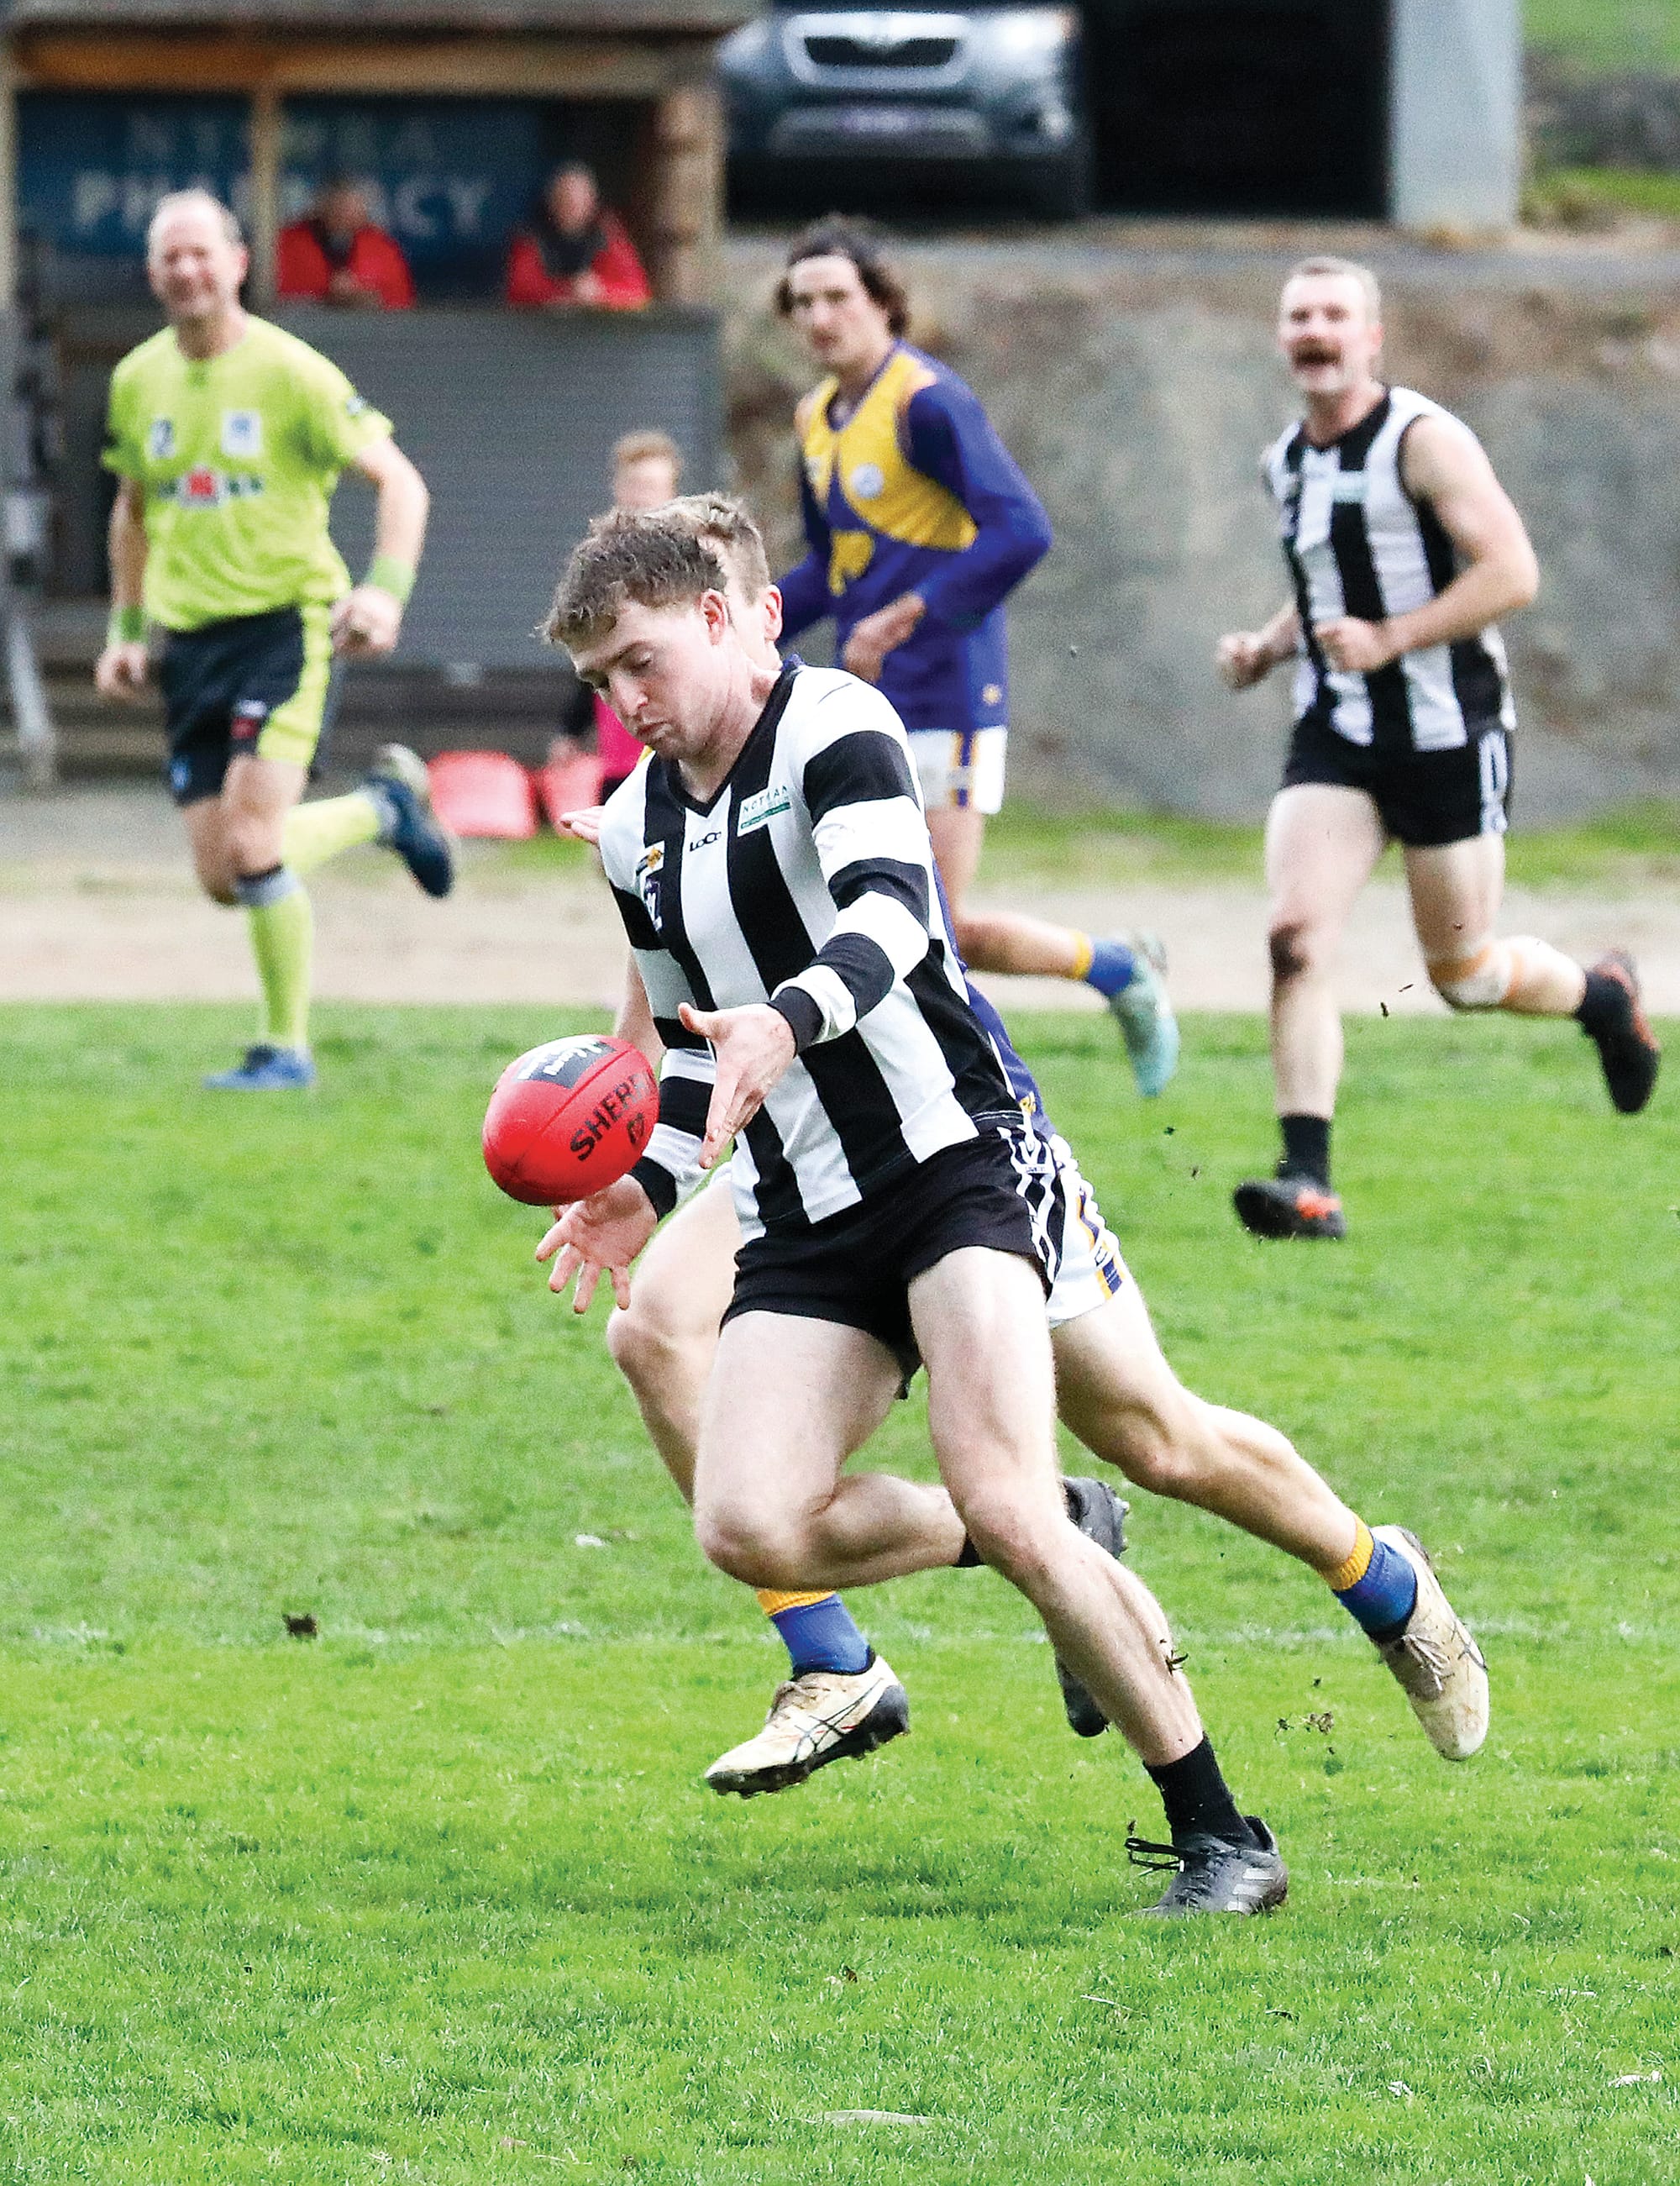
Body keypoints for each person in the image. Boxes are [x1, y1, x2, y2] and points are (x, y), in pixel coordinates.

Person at [554, 495, 1489, 1821]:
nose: (626, 698)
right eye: (601, 680)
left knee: (1159, 1437)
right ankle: (892, 1619)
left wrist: (788, 1019)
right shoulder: (634, 828)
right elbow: (696, 1049)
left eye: (640, 663)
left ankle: (1376, 1576)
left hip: (965, 1152)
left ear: (732, 615)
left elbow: (893, 917)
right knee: (671, 1352)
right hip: (806, 1178)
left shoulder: (832, 728)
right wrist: (637, 1189)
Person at [1218, 255, 1661, 1240]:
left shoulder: (1423, 441)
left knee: (1462, 976)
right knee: (1293, 941)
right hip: (1334, 732)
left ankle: (1600, 997)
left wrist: (1391, 639)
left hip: (1443, 732)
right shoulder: (1283, 459)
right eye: (1298, 316)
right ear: (1281, 338)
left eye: (1335, 314)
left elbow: (1511, 572)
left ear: (1371, 336)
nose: (1315, 332)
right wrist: (1267, 645)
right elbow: (1323, 576)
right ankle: (1307, 1183)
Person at [774, 217, 1179, 1097]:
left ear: (881, 302)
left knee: (928, 928)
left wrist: (908, 614)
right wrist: (746, 627)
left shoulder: (926, 402)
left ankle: (1097, 994)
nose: (818, 317)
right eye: (801, 302)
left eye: (836, 296)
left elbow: (1020, 529)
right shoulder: (815, 417)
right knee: (898, 921)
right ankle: (1109, 971)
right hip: (869, 699)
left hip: (947, 689)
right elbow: (830, 568)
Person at [96, 189, 454, 1091]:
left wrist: (383, 592)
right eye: (169, 257)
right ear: (153, 274)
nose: (186, 270)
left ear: (238, 262)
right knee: (223, 874)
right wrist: (127, 629)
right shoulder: (138, 379)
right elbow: (132, 510)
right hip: (189, 644)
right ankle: (384, 810)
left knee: (255, 847)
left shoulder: (295, 372)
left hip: (286, 627)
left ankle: (285, 1050)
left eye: (201, 253)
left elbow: (400, 483)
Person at [553, 433, 685, 799]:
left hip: (675, 747)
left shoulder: (689, 567)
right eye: (635, 485)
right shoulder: (600, 569)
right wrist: (570, 729)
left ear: (671, 492)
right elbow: (590, 659)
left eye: (653, 487)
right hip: (619, 753)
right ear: (618, 490)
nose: (643, 497)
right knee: (609, 847)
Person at [505, 165, 650, 313]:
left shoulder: (607, 236)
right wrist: (566, 292)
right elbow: (518, 289)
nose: (571, 207)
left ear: (591, 203)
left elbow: (638, 292)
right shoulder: (531, 237)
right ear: (552, 202)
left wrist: (600, 292)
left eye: (578, 201)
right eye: (564, 199)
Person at [276, 178, 414, 312]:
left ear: (362, 210)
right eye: (335, 208)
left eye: (348, 209)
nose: (342, 216)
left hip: (370, 329)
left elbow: (401, 300)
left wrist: (368, 298)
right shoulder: (290, 242)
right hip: (303, 325)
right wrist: (324, 296)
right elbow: (270, 296)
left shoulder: (381, 247)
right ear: (321, 207)